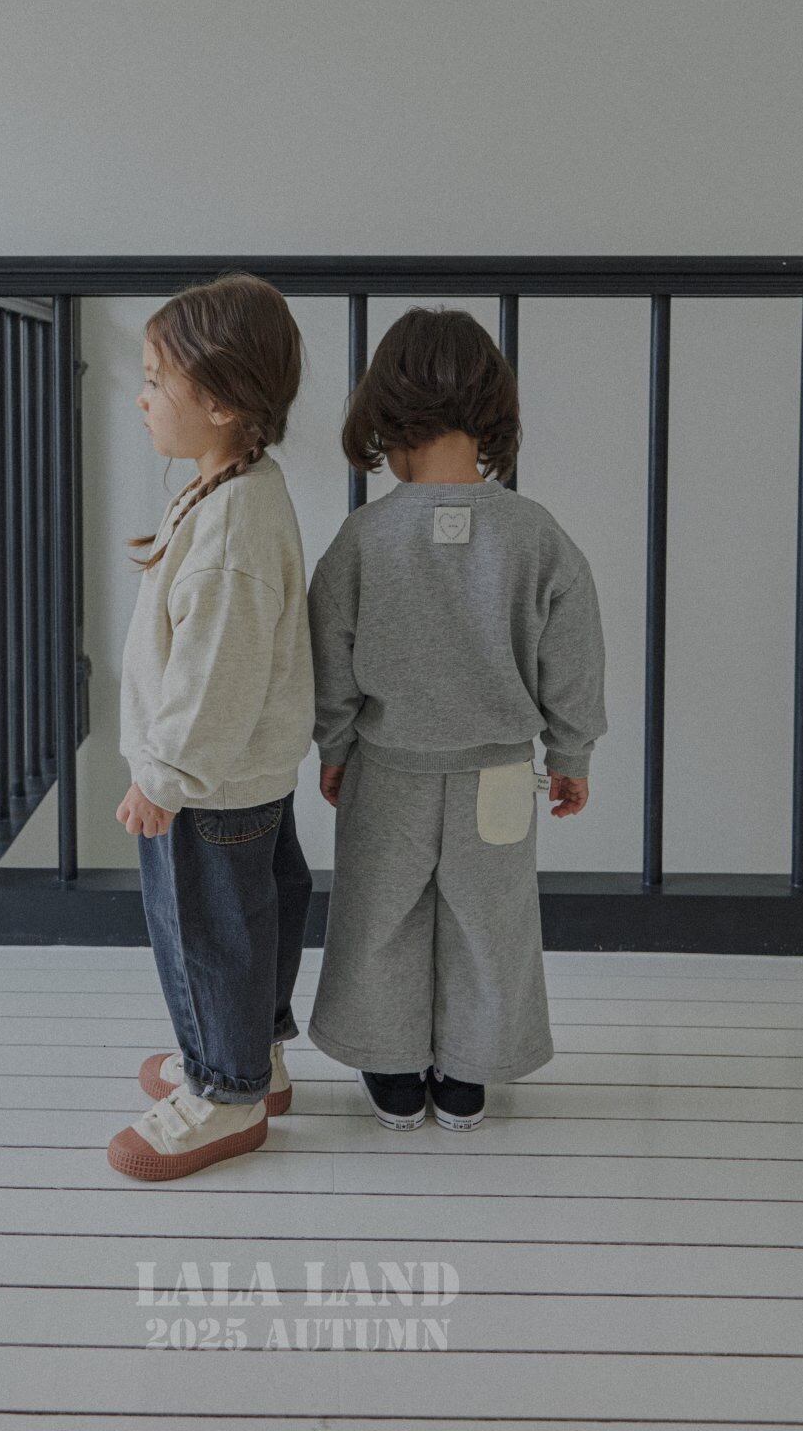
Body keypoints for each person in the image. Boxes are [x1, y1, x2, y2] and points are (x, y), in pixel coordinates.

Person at [306, 306, 607, 1133]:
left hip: (387, 770)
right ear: (494, 410)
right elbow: (573, 656)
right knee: (491, 925)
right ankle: (469, 1073)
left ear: (384, 412)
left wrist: (334, 745)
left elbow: (330, 659)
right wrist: (571, 754)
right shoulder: (536, 536)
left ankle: (393, 1067)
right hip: (500, 775)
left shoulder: (362, 538)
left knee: (377, 919)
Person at [107, 273, 316, 1181]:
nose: (141, 396)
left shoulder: (232, 530)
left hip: (208, 782)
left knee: (205, 933)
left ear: (224, 404)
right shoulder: (236, 484)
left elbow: (213, 677)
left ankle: (226, 1093)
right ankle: (254, 1057)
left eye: (157, 380)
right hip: (244, 772)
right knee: (252, 917)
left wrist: (164, 777)